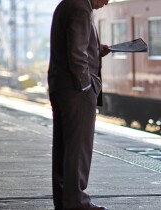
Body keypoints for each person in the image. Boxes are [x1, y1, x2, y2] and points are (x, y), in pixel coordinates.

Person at [48, 0, 110, 209]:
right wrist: (87, 86)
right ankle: (76, 202)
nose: (107, 1)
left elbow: (74, 44)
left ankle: (65, 200)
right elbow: (76, 53)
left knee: (64, 147)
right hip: (76, 91)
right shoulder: (80, 7)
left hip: (61, 86)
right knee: (78, 148)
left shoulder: (67, 4)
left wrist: (96, 49)